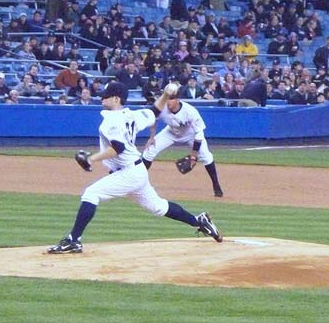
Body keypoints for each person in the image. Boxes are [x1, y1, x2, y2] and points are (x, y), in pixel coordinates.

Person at [48, 82, 223, 254]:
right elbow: (154, 112)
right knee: (158, 207)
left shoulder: (112, 121)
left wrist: (91, 158)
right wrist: (165, 94)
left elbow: (118, 148)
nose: (102, 98)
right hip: (136, 171)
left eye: (106, 95)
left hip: (129, 173)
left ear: (116, 99)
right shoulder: (131, 115)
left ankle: (74, 240)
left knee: (91, 193)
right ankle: (199, 221)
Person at [142, 85, 224, 198]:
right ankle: (137, 181)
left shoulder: (190, 111)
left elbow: (199, 133)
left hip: (190, 134)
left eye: (171, 99)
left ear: (177, 100)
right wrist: (151, 137)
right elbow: (153, 119)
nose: (168, 101)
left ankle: (216, 185)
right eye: (167, 98)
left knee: (206, 156)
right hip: (170, 132)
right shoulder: (162, 108)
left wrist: (194, 155)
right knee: (149, 151)